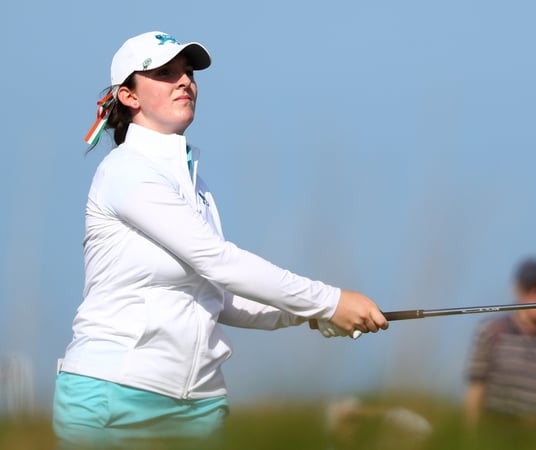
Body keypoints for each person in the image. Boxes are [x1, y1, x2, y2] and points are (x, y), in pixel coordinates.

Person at [53, 31, 388, 449]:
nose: (184, 81)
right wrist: (330, 301)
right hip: (115, 395)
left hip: (201, 403)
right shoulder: (125, 172)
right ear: (128, 96)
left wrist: (313, 315)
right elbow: (219, 262)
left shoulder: (195, 184)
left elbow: (219, 295)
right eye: (165, 73)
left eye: (189, 73)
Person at [464, 257, 536, 439]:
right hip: (496, 432)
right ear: (517, 290)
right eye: (531, 289)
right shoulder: (491, 331)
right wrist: (470, 437)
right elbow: (476, 388)